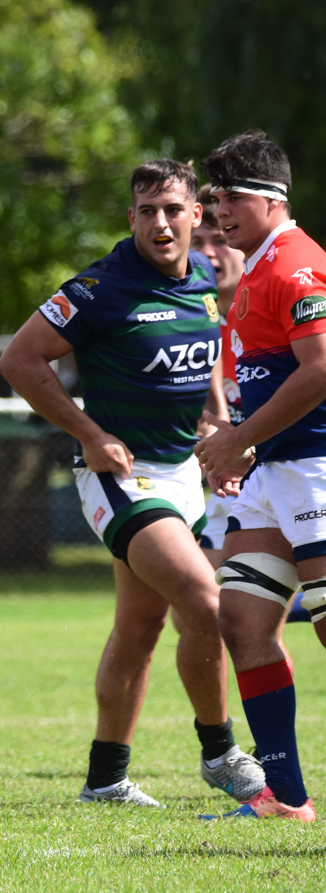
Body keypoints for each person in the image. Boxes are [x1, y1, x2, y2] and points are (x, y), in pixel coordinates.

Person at [0, 158, 263, 809]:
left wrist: (219, 429)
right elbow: (18, 360)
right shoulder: (99, 288)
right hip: (121, 476)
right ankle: (221, 752)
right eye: (147, 212)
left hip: (183, 475)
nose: (161, 223)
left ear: (197, 215)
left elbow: (203, 359)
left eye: (173, 210)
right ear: (132, 219)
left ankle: (105, 779)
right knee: (205, 599)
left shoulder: (204, 277)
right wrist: (88, 432)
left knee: (140, 626)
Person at [194, 131, 326, 821]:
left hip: (317, 471)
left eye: (232, 197)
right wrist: (246, 447)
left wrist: (240, 437)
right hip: (275, 473)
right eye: (214, 198)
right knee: (243, 621)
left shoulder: (297, 265)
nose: (219, 212)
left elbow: (321, 370)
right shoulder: (257, 269)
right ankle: (286, 797)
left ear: (274, 199)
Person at [191, 187, 248, 567]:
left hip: (298, 473)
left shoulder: (280, 310)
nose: (209, 253)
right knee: (197, 595)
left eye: (221, 239)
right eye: (198, 242)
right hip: (231, 487)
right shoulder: (185, 323)